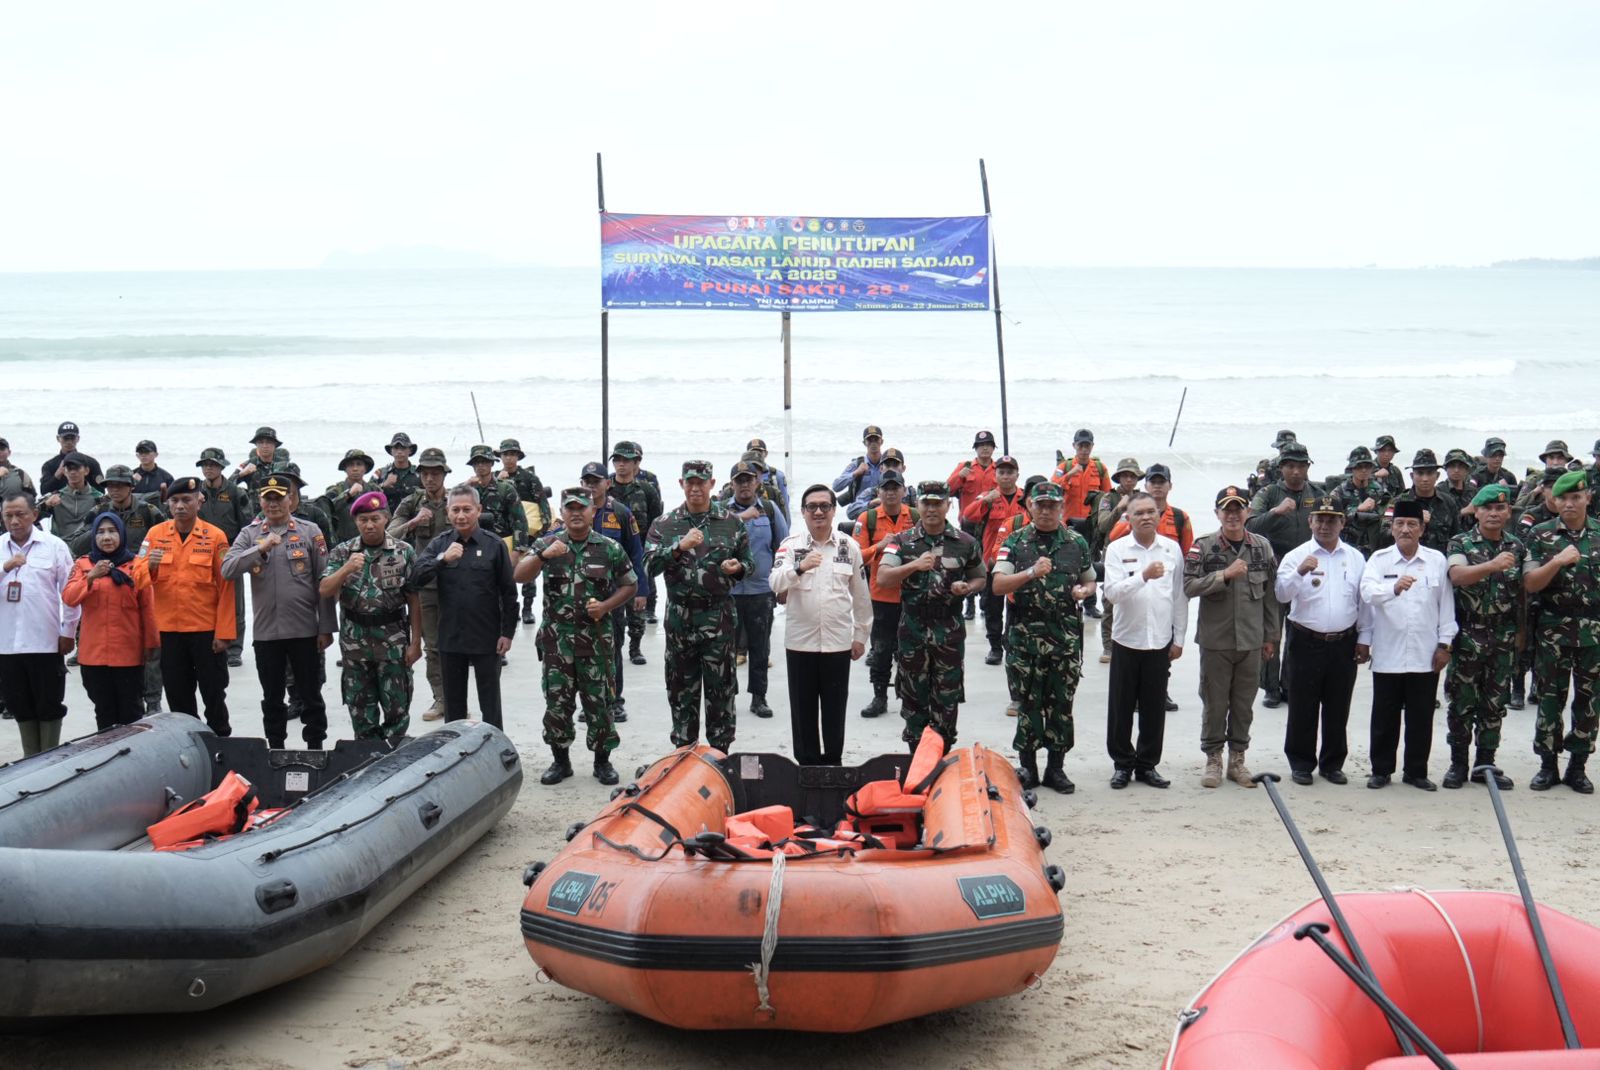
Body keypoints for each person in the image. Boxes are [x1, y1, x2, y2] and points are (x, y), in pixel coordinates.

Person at [516, 487, 638, 786]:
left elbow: (630, 584)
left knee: (599, 704)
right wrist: (544, 556)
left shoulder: (609, 547)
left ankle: (602, 762)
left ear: (592, 512)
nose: (575, 513)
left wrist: (607, 606)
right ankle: (560, 762)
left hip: (596, 641)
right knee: (557, 703)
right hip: (557, 643)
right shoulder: (548, 542)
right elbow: (519, 575)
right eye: (569, 508)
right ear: (562, 511)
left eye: (581, 508)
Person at [990, 481, 1096, 793]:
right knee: (1028, 703)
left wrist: (1084, 591)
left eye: (1053, 505)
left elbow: (1090, 582)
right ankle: (1028, 767)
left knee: (1061, 704)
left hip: (1063, 637)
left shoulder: (1076, 542)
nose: (1047, 510)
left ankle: (1056, 769)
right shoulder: (1016, 541)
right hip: (1025, 637)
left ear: (1062, 507)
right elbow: (997, 585)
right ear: (1030, 507)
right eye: (1041, 505)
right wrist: (1030, 573)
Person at [644, 460, 753, 753]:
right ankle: (683, 754)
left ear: (712, 484)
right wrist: (678, 547)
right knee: (681, 693)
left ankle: (720, 755)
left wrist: (737, 567)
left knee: (721, 692)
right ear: (681, 484)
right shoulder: (664, 524)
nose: (695, 488)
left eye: (701, 482)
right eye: (689, 482)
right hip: (681, 620)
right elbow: (648, 566)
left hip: (718, 619)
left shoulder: (731, 521)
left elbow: (749, 563)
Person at [221, 472, 335, 749]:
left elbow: (325, 581)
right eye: (267, 499)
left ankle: (315, 747)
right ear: (260, 501)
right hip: (267, 633)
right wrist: (259, 548)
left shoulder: (310, 531)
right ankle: (276, 747)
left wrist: (326, 627)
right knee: (272, 697)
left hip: (304, 630)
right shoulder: (250, 534)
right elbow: (227, 569)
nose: (273, 504)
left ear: (290, 500)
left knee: (310, 695)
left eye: (279, 498)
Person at [1183, 486, 1280, 789]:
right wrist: (1223, 575)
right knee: (1214, 702)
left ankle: (1238, 759)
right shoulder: (1204, 547)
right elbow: (1188, 586)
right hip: (1217, 641)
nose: (1233, 514)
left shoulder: (1262, 548)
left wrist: (1271, 637)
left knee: (1243, 704)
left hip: (1251, 641)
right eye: (1227, 509)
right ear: (1217, 514)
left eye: (1239, 509)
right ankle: (1213, 759)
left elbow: (1270, 598)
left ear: (1248, 513)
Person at [876, 480, 984, 749]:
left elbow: (980, 576)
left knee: (947, 698)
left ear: (948, 505)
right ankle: (916, 760)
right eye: (926, 503)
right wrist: (913, 565)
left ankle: (942, 758)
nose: (932, 509)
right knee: (913, 698)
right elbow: (884, 577)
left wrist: (967, 588)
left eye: (938, 503)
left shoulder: (965, 542)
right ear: (918, 505)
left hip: (948, 630)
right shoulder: (902, 542)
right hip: (913, 629)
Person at [769, 485, 871, 765]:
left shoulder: (848, 546)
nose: (818, 512)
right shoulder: (791, 545)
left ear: (833, 510)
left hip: (838, 643)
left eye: (824, 506)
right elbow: (775, 582)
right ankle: (807, 767)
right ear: (803, 512)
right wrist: (799, 568)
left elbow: (861, 596)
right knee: (803, 713)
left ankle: (833, 763)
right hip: (800, 643)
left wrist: (861, 635)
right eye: (811, 506)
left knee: (835, 709)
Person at [1358, 499, 1455, 790]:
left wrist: (1445, 644)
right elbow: (1367, 593)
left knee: (1421, 717)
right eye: (1399, 524)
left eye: (1412, 524)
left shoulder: (1436, 560)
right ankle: (1381, 770)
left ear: (1422, 529)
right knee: (1384, 716)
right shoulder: (1379, 559)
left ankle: (1416, 771)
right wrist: (1394, 587)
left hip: (1425, 654)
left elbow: (1446, 606)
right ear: (1391, 528)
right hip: (1389, 651)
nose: (1405, 529)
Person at [1273, 497, 1365, 785]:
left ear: (1342, 523)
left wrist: (1365, 639)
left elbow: (1364, 603)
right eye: (1320, 519)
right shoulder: (1296, 555)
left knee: (1338, 705)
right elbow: (1281, 594)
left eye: (1332, 519)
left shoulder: (1354, 557)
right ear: (1310, 521)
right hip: (1305, 639)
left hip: (1344, 641)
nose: (1325, 525)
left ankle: (1332, 763)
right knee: (1303, 704)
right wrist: (1300, 571)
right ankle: (1301, 763)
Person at [411, 485, 518, 728]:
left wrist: (507, 633)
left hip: (487, 637)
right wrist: (442, 560)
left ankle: (494, 750)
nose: (461, 515)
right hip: (451, 637)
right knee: (454, 706)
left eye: (467, 509)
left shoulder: (494, 545)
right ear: (448, 512)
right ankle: (455, 751)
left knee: (490, 704)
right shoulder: (441, 544)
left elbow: (509, 593)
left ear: (478, 510)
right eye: (455, 510)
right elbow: (416, 577)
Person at [319, 491, 421, 741]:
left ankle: (394, 752)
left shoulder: (404, 551)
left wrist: (417, 642)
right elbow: (324, 590)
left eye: (375, 518)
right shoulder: (343, 552)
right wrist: (346, 569)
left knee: (397, 706)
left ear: (386, 518)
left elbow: (414, 599)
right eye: (363, 519)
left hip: (393, 641)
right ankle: (365, 755)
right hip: (355, 643)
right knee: (360, 707)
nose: (369, 524)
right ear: (356, 522)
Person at [1101, 492, 1187, 789]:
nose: (1147, 517)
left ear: (1159, 515)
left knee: (1154, 707)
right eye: (1140, 513)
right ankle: (1122, 764)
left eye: (1152, 511)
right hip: (1127, 639)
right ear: (1129, 517)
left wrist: (1179, 638)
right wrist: (1143, 576)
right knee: (1121, 707)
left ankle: (1147, 765)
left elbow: (1179, 596)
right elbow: (1112, 593)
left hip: (1160, 639)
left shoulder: (1172, 549)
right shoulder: (1116, 548)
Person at [138, 477, 236, 736]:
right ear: (168, 504)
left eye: (186, 500)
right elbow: (137, 578)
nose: (180, 506)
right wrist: (150, 566)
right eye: (175, 501)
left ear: (198, 502)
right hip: (169, 631)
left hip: (205, 630)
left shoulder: (215, 536)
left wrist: (224, 632)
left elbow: (226, 586)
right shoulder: (155, 535)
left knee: (214, 693)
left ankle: (221, 742)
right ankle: (189, 743)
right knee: (178, 697)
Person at [1522, 469, 1600, 793]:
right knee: (1550, 699)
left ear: (1587, 498)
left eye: (1576, 498)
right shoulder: (1540, 535)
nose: (1569, 504)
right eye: (1563, 498)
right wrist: (1557, 561)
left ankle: (1577, 767)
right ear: (1553, 500)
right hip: (1552, 631)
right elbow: (1530, 583)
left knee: (1589, 702)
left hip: (1593, 633)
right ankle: (1547, 765)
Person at [1443, 484, 1524, 790]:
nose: (1494, 513)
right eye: (1487, 508)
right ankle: (1458, 764)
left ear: (1508, 513)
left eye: (1500, 508)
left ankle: (1485, 762)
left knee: (1494, 703)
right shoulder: (1461, 542)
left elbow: (1521, 597)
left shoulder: (1517, 546)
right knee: (1462, 702)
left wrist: (1521, 637)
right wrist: (1492, 565)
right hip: (1468, 635)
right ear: (1476, 511)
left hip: (1503, 635)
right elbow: (1457, 576)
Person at [1107, 463, 1192, 711]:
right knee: (1123, 702)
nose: (1157, 486)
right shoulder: (1126, 526)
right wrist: (1142, 575)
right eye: (1153, 482)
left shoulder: (1179, 518)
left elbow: (1184, 563)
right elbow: (1114, 537)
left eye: (1161, 481)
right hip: (1128, 628)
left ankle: (1160, 692)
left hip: (1162, 619)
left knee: (1154, 700)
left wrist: (1179, 637)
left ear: (1169, 485)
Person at [0, 493, 79, 756]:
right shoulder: (0, 547)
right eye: (8, 515)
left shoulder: (53, 546)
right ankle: (29, 759)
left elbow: (70, 593)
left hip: (45, 641)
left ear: (34, 514)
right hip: (7, 643)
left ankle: (50, 759)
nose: (14, 521)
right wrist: (5, 568)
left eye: (20, 514)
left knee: (49, 704)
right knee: (18, 704)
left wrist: (68, 632)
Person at [62, 512, 157, 730]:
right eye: (101, 532)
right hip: (93, 656)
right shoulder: (84, 564)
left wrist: (151, 645)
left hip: (128, 656)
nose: (107, 537)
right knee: (104, 712)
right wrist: (91, 576)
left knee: (131, 712)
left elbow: (148, 610)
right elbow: (68, 597)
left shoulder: (136, 565)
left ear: (122, 534)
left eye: (112, 531)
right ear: (94, 536)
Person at [1248, 441, 1320, 709]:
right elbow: (1250, 525)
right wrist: (1275, 512)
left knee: (1300, 630)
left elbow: (1330, 527)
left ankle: (1290, 684)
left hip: (1308, 570)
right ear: (1281, 468)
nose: (1296, 471)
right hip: (1274, 569)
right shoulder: (1268, 494)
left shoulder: (1317, 493)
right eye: (1290, 466)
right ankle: (1270, 687)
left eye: (1301, 465)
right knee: (1272, 630)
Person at [582, 461, 650, 722]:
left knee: (613, 648)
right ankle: (588, 701)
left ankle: (615, 700)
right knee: (584, 650)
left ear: (607, 484)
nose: (591, 486)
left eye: (595, 481)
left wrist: (641, 590)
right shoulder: (573, 511)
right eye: (586, 481)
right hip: (581, 594)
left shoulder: (621, 513)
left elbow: (636, 551)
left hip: (614, 594)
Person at [388, 447, 452, 721]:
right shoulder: (412, 502)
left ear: (444, 474)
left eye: (435, 473)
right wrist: (414, 522)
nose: (430, 478)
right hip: (426, 586)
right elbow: (388, 533)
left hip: (459, 584)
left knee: (464, 645)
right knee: (433, 646)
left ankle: (458, 698)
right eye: (426, 473)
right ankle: (442, 698)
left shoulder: (457, 499)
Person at [852, 471, 918, 718]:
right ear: (878, 492)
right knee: (880, 652)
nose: (891, 492)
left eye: (895, 487)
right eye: (886, 488)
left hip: (912, 596)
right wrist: (878, 547)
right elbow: (855, 557)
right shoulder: (867, 518)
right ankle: (879, 697)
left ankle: (908, 697)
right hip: (880, 598)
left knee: (910, 651)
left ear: (903, 490)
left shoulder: (915, 516)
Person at [726, 459, 788, 718]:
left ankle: (759, 697)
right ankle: (728, 697)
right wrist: (742, 517)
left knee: (760, 648)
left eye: (749, 480)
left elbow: (783, 548)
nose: (744, 485)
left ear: (757, 482)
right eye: (739, 480)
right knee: (726, 649)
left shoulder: (771, 510)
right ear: (732, 484)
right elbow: (710, 539)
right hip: (728, 592)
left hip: (761, 590)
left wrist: (783, 584)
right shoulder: (720, 511)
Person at [962, 455, 1029, 667]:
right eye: (1001, 472)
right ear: (995, 475)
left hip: (1020, 563)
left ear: (1017, 475)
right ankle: (995, 646)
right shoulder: (988, 496)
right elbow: (968, 516)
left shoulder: (1024, 498)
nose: (1006, 476)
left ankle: (1011, 643)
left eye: (1010, 472)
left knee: (1017, 606)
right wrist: (985, 500)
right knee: (992, 607)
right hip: (993, 563)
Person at [194, 447, 251, 667]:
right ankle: (208, 642)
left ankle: (234, 648)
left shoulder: (237, 493)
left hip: (229, 554)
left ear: (221, 467)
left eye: (213, 464)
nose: (209, 468)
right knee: (204, 600)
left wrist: (241, 555)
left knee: (234, 602)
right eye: (205, 465)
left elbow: (246, 526)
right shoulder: (195, 492)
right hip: (199, 554)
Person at [609, 440, 664, 648]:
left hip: (637, 553)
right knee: (612, 603)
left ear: (636, 463)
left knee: (637, 604)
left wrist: (651, 551)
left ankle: (635, 646)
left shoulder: (647, 490)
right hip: (609, 556)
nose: (621, 464)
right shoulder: (605, 487)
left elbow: (656, 523)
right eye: (617, 460)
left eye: (626, 460)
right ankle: (614, 644)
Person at [1093, 458, 1144, 660]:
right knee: (1109, 599)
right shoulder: (1109, 498)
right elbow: (1103, 525)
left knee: (1139, 594)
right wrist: (1120, 509)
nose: (1129, 479)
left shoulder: (1142, 498)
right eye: (1125, 475)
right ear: (1119, 477)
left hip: (1138, 552)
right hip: (1113, 552)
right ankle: (1108, 646)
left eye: (1132, 476)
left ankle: (1134, 642)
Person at [498, 437, 552, 625]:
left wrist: (544, 529)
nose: (509, 458)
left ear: (518, 456)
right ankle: (511, 607)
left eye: (512, 454)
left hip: (528, 531)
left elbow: (542, 503)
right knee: (505, 571)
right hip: (505, 532)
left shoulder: (529, 478)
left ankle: (528, 608)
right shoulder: (496, 478)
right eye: (505, 454)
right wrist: (498, 481)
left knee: (528, 568)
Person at [949, 431, 999, 621]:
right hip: (968, 524)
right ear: (975, 448)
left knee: (988, 564)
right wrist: (959, 477)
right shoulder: (965, 467)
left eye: (988, 444)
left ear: (993, 448)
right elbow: (947, 489)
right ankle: (968, 603)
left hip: (992, 525)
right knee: (966, 564)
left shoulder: (1000, 469)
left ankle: (986, 604)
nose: (984, 448)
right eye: (981, 445)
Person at [1379, 449, 1459, 554]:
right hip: (1406, 562)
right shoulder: (1398, 503)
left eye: (1430, 473)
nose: (1425, 478)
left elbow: (1456, 537)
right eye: (1420, 473)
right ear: (1412, 476)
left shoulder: (1448, 502)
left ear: (1437, 476)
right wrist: (1412, 518)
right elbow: (1384, 536)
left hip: (1438, 563)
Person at [1331, 446, 1391, 556]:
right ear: (1352, 468)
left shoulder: (1379, 489)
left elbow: (1388, 513)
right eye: (1359, 467)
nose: (1364, 470)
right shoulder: (1340, 491)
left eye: (1367, 466)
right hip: (1348, 546)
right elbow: (1330, 518)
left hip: (1373, 546)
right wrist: (1356, 510)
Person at [40, 453, 104, 551]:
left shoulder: (98, 498)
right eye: (69, 469)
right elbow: (30, 515)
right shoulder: (56, 496)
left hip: (87, 549)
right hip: (60, 548)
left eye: (77, 468)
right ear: (64, 472)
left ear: (86, 471)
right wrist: (45, 505)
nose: (73, 472)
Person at [318, 449, 379, 545]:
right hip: (343, 545)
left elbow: (385, 516)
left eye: (359, 464)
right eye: (351, 465)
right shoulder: (335, 490)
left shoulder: (375, 490)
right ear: (345, 469)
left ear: (365, 468)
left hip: (371, 543)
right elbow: (325, 510)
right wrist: (348, 495)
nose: (355, 469)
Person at [39, 421, 103, 495]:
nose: (69, 442)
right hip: (59, 504)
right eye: (65, 438)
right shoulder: (49, 465)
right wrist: (57, 475)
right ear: (58, 438)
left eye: (72, 438)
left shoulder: (91, 463)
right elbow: (44, 492)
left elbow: (101, 490)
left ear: (78, 438)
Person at [832, 425, 886, 511]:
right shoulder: (857, 464)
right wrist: (856, 473)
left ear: (882, 441)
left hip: (885, 512)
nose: (873, 443)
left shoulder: (888, 463)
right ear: (864, 442)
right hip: (862, 511)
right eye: (869, 440)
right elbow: (836, 486)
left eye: (876, 439)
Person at [743, 438, 791, 523]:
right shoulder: (739, 476)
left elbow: (785, 507)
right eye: (753, 452)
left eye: (759, 452)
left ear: (766, 453)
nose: (756, 455)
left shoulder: (776, 476)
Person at [231, 427, 284, 496]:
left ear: (275, 445)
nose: (265, 446)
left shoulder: (284, 465)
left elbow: (294, 491)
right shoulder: (248, 464)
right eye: (261, 442)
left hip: (278, 505)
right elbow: (226, 486)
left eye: (269, 442)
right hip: (255, 505)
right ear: (256, 445)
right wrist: (241, 474)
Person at [374, 432, 423, 504]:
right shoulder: (380, 473)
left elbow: (430, 494)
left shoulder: (420, 474)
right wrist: (383, 485)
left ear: (410, 450)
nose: (399, 452)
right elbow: (366, 494)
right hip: (386, 514)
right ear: (391, 451)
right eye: (396, 448)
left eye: (403, 448)